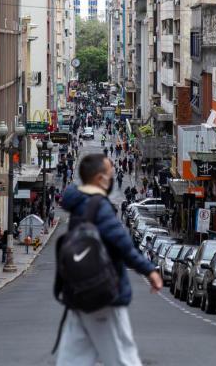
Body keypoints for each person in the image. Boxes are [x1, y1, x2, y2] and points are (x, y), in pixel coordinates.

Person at [57, 154, 162, 365]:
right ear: (98, 178)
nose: (112, 177)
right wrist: (149, 270)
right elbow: (123, 244)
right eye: (109, 173)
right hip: (104, 291)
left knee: (73, 357)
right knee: (124, 356)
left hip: (78, 291)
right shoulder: (99, 206)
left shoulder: (78, 205)